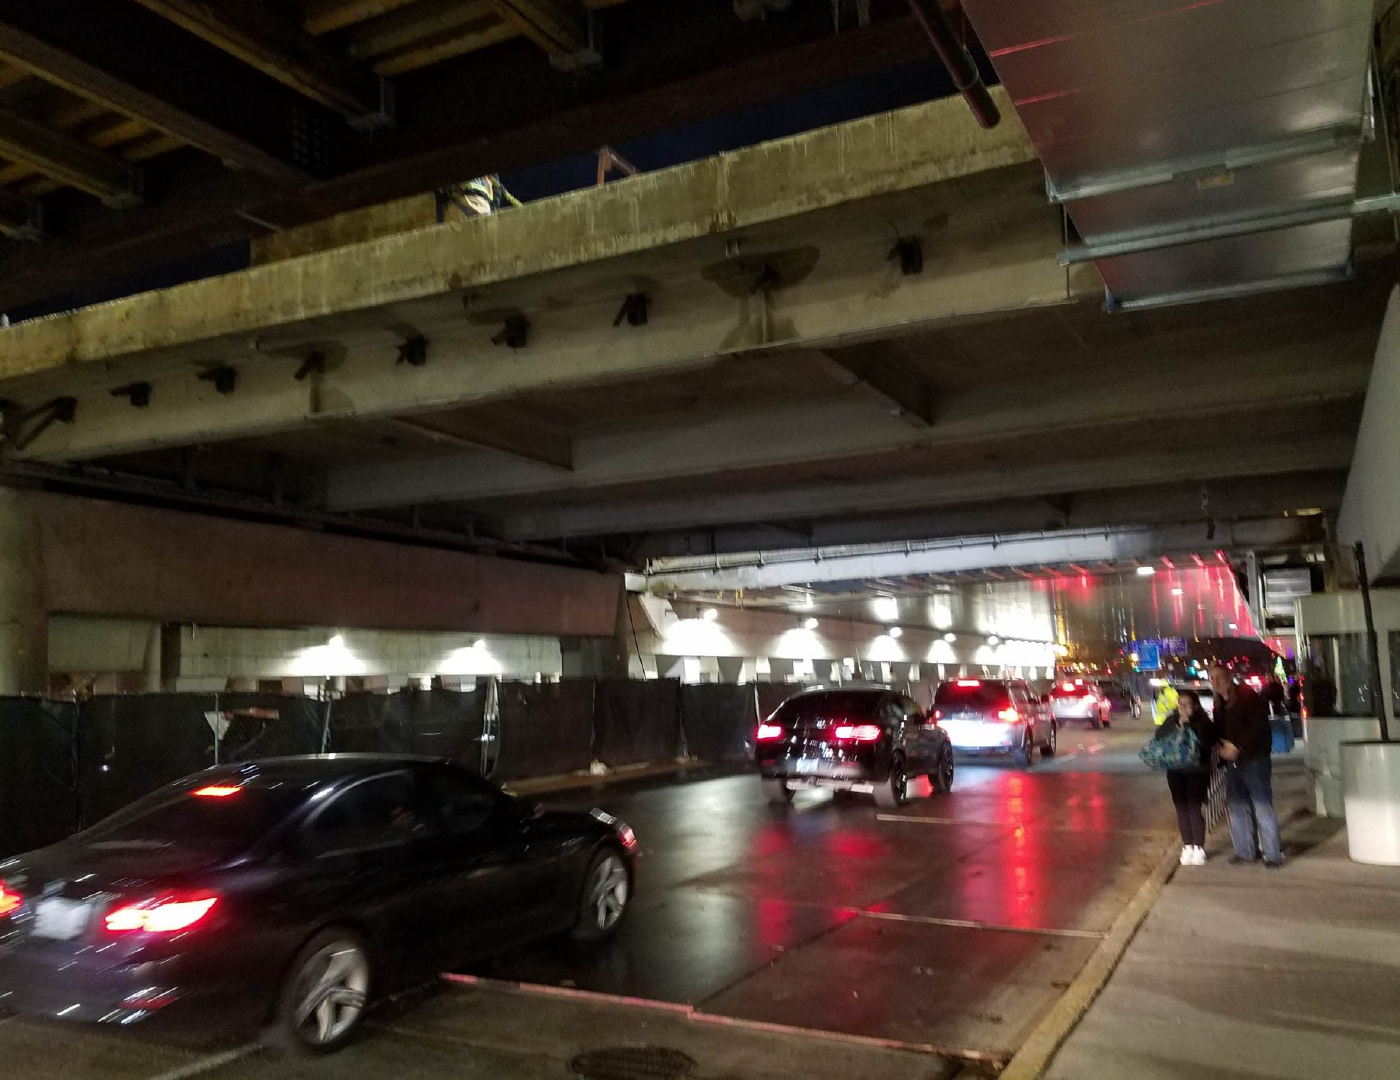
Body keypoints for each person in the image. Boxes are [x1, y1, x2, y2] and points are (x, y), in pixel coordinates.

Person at [1209, 662, 1282, 868]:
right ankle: (1245, 851)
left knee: (1262, 806)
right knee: (1237, 806)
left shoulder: (1248, 697)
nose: (1216, 682)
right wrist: (1220, 747)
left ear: (1229, 677)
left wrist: (1237, 746)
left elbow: (1258, 727)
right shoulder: (1219, 702)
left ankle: (1272, 854)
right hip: (1233, 762)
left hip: (1254, 759)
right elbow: (1218, 730)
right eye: (1212, 678)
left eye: (1219, 678)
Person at [1158, 690, 1218, 865]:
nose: (1183, 708)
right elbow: (1160, 736)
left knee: (1193, 808)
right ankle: (1187, 846)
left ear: (1195, 706)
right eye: (1180, 704)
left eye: (1187, 704)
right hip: (1176, 771)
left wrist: (1189, 726)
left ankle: (1199, 847)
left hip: (1196, 771)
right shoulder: (1171, 720)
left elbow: (1208, 740)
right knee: (1181, 808)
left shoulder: (1203, 722)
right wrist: (1178, 725)